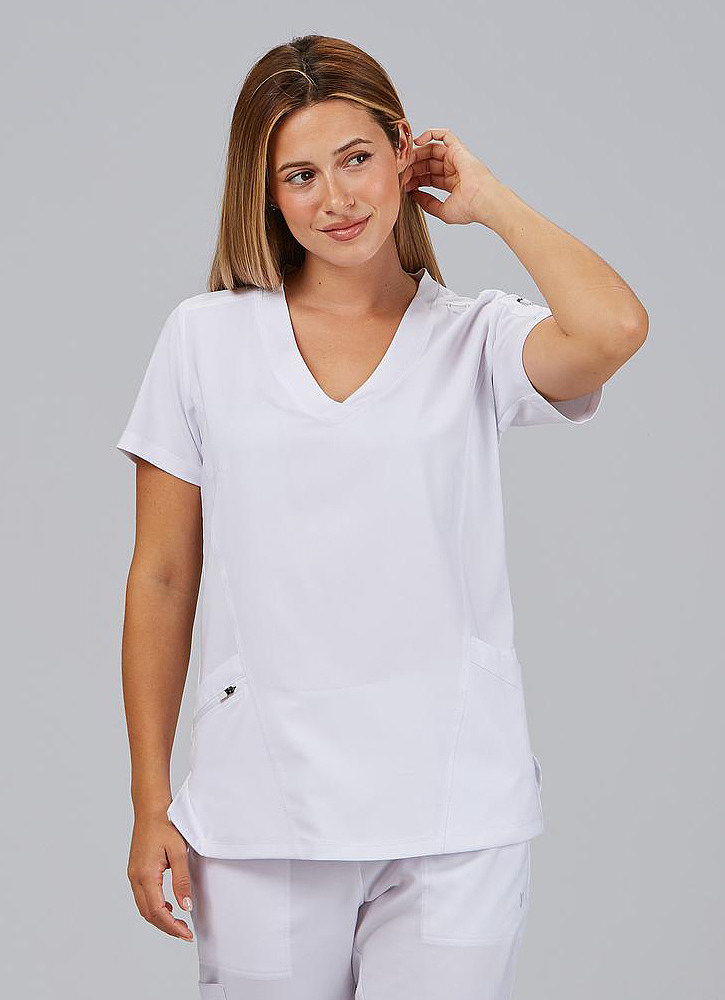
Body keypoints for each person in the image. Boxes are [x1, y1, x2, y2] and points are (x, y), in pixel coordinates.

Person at [115, 33, 648, 1000]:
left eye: (358, 158)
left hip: (455, 815)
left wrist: (490, 201)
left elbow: (612, 330)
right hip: (261, 814)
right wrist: (151, 799)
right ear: (266, 194)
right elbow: (161, 574)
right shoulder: (204, 341)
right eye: (301, 175)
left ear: (405, 151)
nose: (338, 198)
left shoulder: (475, 338)